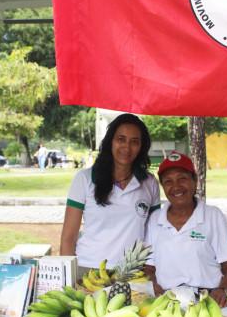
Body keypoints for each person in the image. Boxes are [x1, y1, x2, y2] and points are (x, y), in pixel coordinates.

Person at [60, 114, 160, 274]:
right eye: (121, 139)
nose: (127, 147)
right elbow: (68, 238)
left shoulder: (149, 183)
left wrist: (151, 268)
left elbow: (154, 233)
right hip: (88, 270)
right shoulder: (84, 179)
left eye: (134, 142)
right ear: (110, 141)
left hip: (132, 273)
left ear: (142, 146)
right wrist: (67, 278)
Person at [144, 152, 227, 307]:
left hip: (207, 299)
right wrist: (152, 285)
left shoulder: (212, 216)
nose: (176, 186)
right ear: (163, 187)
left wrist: (222, 290)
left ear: (195, 181)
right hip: (165, 302)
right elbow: (149, 267)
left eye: (182, 178)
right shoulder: (155, 219)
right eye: (168, 181)